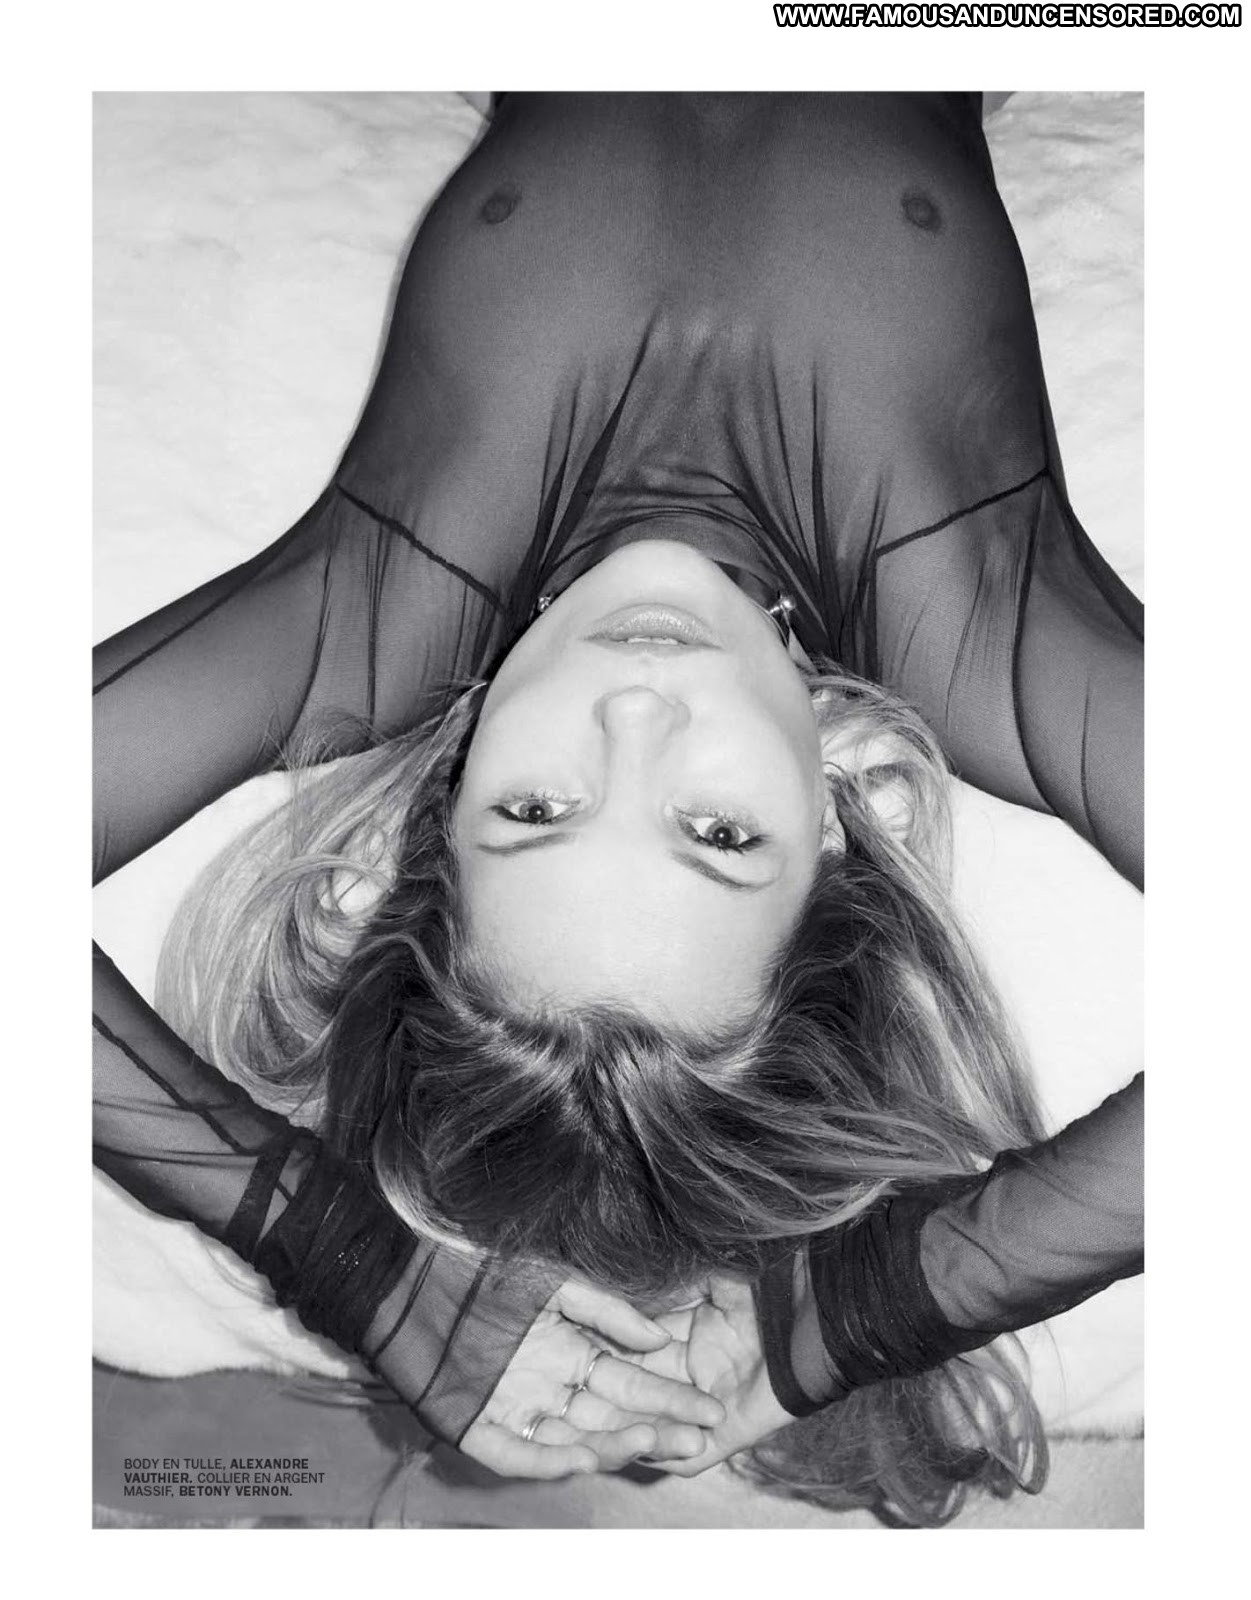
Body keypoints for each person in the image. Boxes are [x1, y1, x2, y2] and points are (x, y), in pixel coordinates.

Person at [93, 92, 1142, 1526]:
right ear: (844, 816)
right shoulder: (988, 638)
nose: (634, 712)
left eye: (535, 809)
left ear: (435, 807)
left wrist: (341, 1256)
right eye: (718, 836)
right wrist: (883, 1300)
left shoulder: (380, 610)